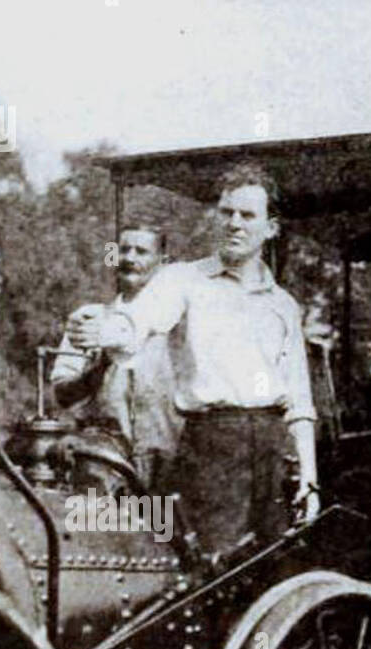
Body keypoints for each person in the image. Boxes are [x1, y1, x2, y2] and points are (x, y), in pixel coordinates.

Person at [68, 162, 317, 556]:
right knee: (215, 568)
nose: (234, 223)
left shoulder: (284, 305)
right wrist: (103, 331)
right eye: (226, 212)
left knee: (275, 565)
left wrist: (309, 478)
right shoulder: (184, 280)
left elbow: (300, 402)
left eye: (247, 215)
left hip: (273, 450)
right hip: (213, 446)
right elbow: (136, 324)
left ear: (271, 228)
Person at [51, 223, 181, 487]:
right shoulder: (89, 319)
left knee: (163, 527)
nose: (130, 259)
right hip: (103, 463)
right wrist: (100, 366)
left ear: (163, 262)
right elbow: (62, 395)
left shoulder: (180, 325)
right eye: (124, 250)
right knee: (103, 527)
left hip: (168, 460)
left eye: (141, 251)